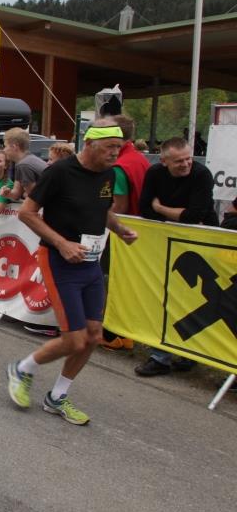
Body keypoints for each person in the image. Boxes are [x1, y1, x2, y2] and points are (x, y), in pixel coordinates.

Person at [6, 120, 138, 425]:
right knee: (74, 340)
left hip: (90, 263)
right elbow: (27, 213)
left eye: (118, 148)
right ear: (89, 144)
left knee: (93, 336)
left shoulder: (108, 174)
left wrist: (120, 230)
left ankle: (57, 397)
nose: (115, 153)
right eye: (109, 147)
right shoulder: (60, 172)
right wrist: (62, 243)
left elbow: (102, 210)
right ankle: (22, 368)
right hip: (58, 261)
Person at [133, 137, 218, 377]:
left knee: (194, 299)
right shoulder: (154, 173)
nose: (186, 164)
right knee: (163, 295)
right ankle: (160, 357)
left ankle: (188, 354)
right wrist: (177, 215)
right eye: (179, 161)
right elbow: (144, 209)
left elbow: (195, 215)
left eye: (188, 159)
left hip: (200, 245)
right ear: (164, 161)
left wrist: (161, 209)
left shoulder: (201, 174)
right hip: (165, 242)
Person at [99, 115, 149, 350]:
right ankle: (124, 333)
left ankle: (113, 335)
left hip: (122, 232)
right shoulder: (139, 159)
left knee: (109, 279)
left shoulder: (120, 166)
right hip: (140, 231)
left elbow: (119, 206)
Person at [2, 127, 47, 201]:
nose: (4, 150)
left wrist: (26, 194)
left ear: (14, 147)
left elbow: (33, 198)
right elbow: (16, 194)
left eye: (5, 146)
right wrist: (7, 193)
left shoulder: (23, 165)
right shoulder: (26, 160)